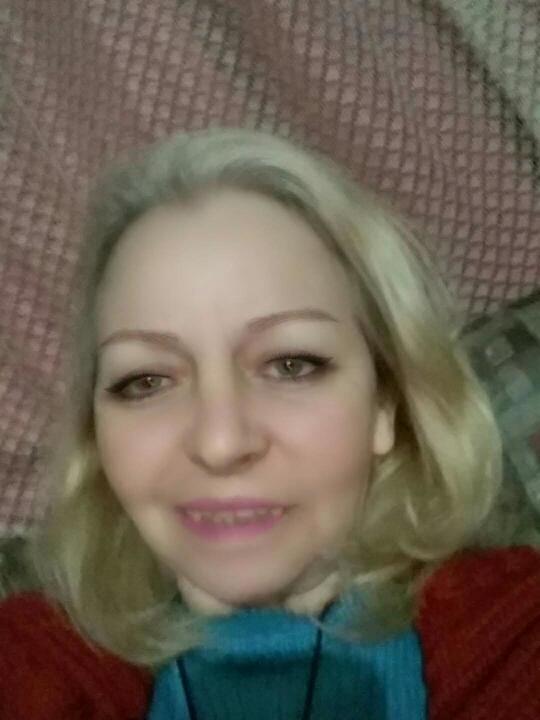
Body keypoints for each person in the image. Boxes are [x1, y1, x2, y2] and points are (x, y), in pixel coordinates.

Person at [0, 127, 539, 720]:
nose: (220, 442)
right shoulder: (26, 663)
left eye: (291, 365)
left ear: (386, 405)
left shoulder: (517, 633)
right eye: (146, 381)